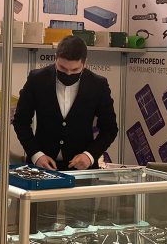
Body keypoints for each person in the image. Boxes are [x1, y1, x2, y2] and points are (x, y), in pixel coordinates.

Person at [12, 35, 118, 171]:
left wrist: (89, 156)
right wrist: (36, 155)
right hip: (41, 167)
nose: (68, 73)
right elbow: (21, 121)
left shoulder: (98, 85)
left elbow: (110, 129)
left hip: (82, 170)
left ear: (85, 63)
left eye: (75, 70)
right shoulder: (36, 79)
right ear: (55, 58)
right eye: (62, 68)